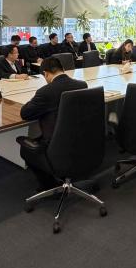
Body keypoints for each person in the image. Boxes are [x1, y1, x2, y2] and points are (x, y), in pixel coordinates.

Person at [18, 57, 88, 189]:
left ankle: (49, 185)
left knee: (26, 150)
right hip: (81, 139)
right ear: (63, 69)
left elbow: (25, 113)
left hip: (56, 145)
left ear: (45, 73)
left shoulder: (45, 92)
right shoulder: (82, 85)